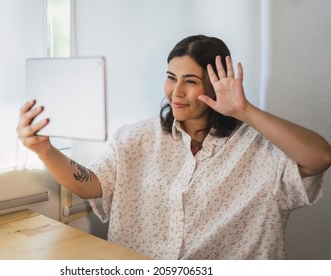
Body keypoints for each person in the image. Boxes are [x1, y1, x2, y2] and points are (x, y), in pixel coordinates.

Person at [17, 35, 331, 259]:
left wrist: (243, 109)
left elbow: (320, 157)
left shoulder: (259, 149)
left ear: (214, 84)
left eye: (191, 81)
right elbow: (91, 185)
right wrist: (44, 149)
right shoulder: (136, 138)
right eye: (171, 77)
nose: (176, 92)